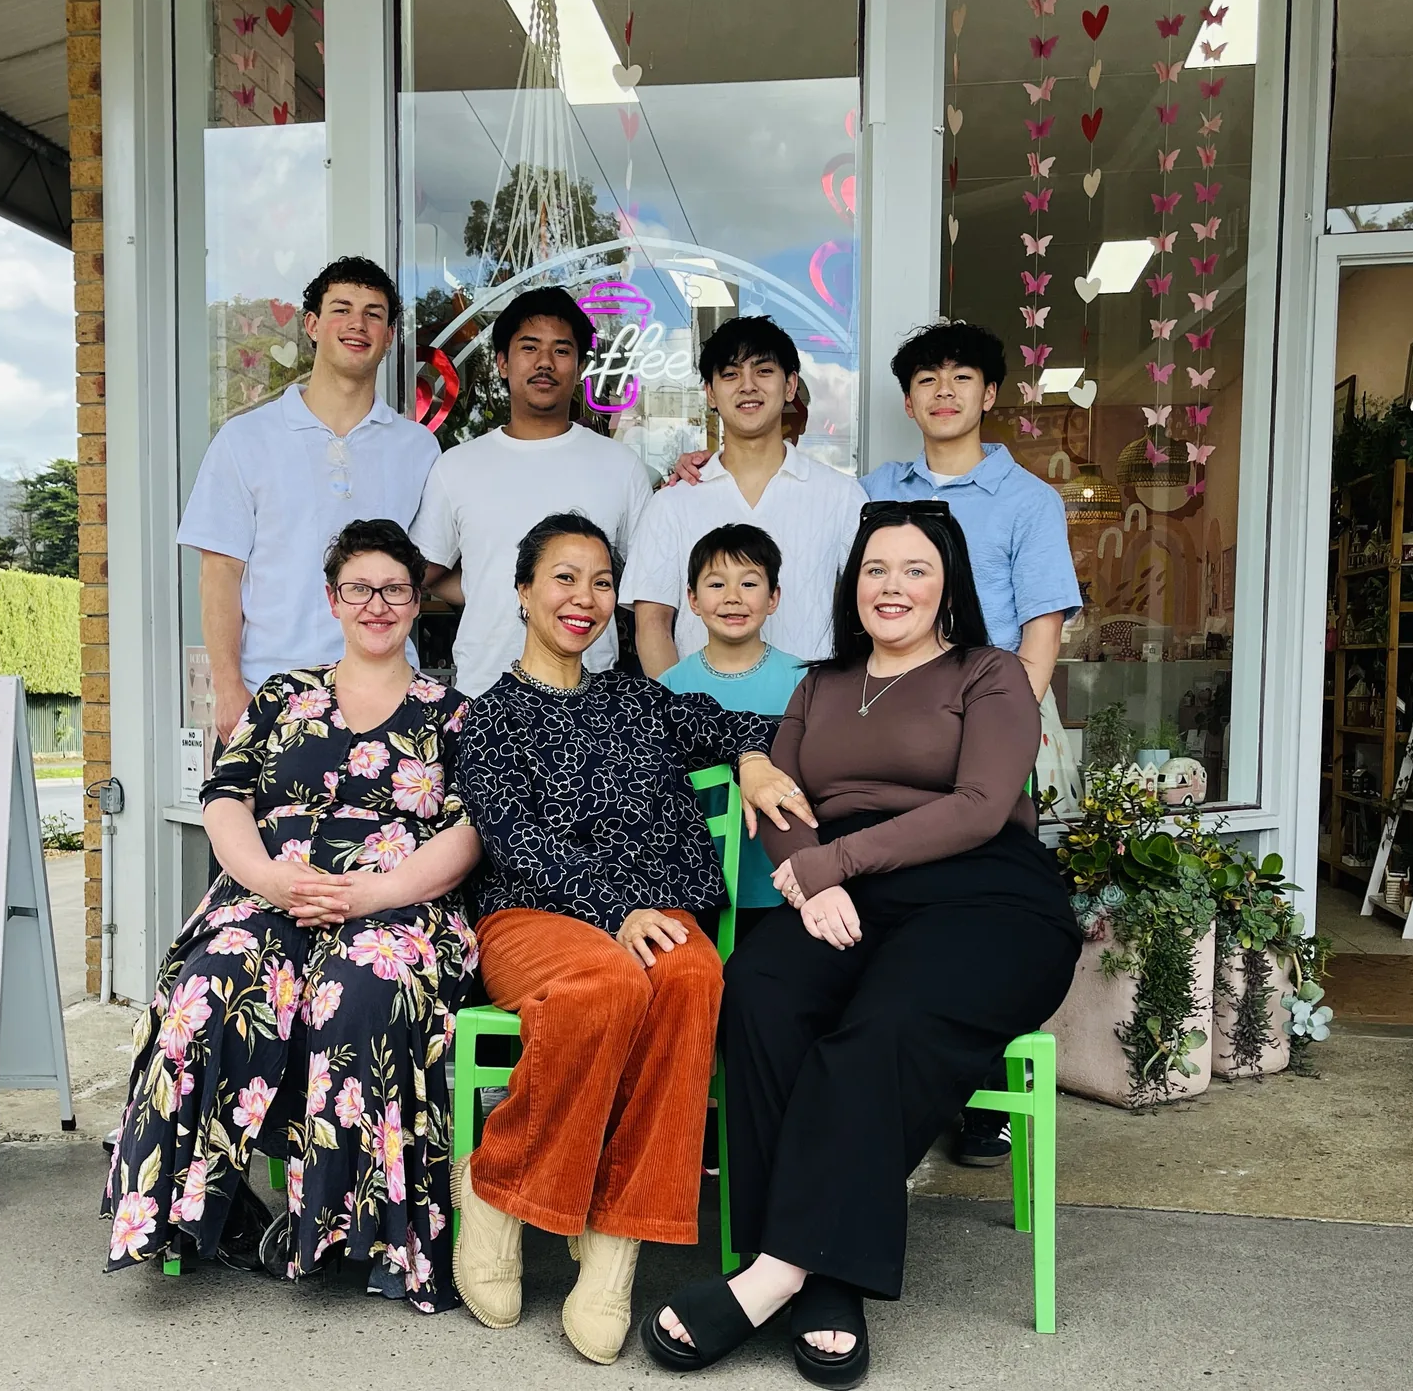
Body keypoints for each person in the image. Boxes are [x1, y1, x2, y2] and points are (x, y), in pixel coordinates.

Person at [641, 502, 1080, 1386]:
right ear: (852, 584)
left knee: (881, 1029)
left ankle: (786, 1273)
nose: (893, 587)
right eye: (876, 569)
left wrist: (831, 862)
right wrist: (808, 870)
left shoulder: (989, 674)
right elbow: (780, 798)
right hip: (847, 893)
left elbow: (981, 805)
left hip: (984, 893)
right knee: (762, 997)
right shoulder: (819, 684)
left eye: (915, 569)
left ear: (947, 582)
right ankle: (809, 1272)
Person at [451, 513, 812, 1365]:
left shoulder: (635, 699)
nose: (584, 598)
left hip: (660, 916)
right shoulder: (490, 718)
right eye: (564, 578)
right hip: (534, 919)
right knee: (612, 983)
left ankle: (616, 1241)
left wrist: (753, 759)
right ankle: (497, 1189)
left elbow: (729, 724)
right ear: (524, 592)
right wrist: (613, 907)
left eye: (601, 582)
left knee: (693, 978)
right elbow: (517, 840)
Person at [102, 519, 481, 1314]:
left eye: (395, 589)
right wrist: (269, 880)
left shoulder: (454, 713)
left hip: (396, 904)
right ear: (331, 597)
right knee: (210, 984)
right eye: (359, 588)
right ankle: (194, 1211)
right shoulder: (281, 695)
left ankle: (351, 1231)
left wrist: (376, 893)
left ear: (418, 602)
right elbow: (224, 798)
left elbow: (469, 830)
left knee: (360, 984)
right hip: (271, 892)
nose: (376, 604)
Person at [860, 320, 1082, 1170]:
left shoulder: (1027, 501)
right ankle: (898, 1061)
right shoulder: (875, 488)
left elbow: (1042, 629)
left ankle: (981, 1094)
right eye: (926, 378)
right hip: (894, 729)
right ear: (909, 398)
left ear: (991, 394)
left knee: (988, 898)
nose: (944, 390)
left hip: (993, 724)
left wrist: (996, 731)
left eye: (962, 376)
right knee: (902, 887)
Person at [178, 257, 438, 744]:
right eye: (342, 309)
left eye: (374, 313)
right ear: (313, 325)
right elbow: (219, 573)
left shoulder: (418, 448)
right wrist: (228, 686)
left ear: (389, 335)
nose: (357, 324)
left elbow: (432, 567)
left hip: (390, 703)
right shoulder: (245, 439)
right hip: (270, 698)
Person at [412, 286, 653, 696]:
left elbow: (645, 586)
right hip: (482, 698)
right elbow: (424, 572)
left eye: (561, 350)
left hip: (591, 703)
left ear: (578, 367)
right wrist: (483, 585)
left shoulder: (621, 467)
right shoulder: (457, 466)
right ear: (503, 363)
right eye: (529, 347)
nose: (545, 363)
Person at [627, 316, 864, 674]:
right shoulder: (673, 502)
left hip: (812, 718)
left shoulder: (841, 496)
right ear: (710, 393)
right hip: (699, 722)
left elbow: (871, 610)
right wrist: (680, 716)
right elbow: (652, 624)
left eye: (764, 371)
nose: (748, 386)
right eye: (731, 374)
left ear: (790, 386)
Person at [657, 523, 810, 948]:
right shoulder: (668, 687)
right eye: (716, 584)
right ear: (692, 599)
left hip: (784, 881)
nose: (733, 597)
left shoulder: (806, 681)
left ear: (773, 597)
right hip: (694, 884)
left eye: (749, 583)